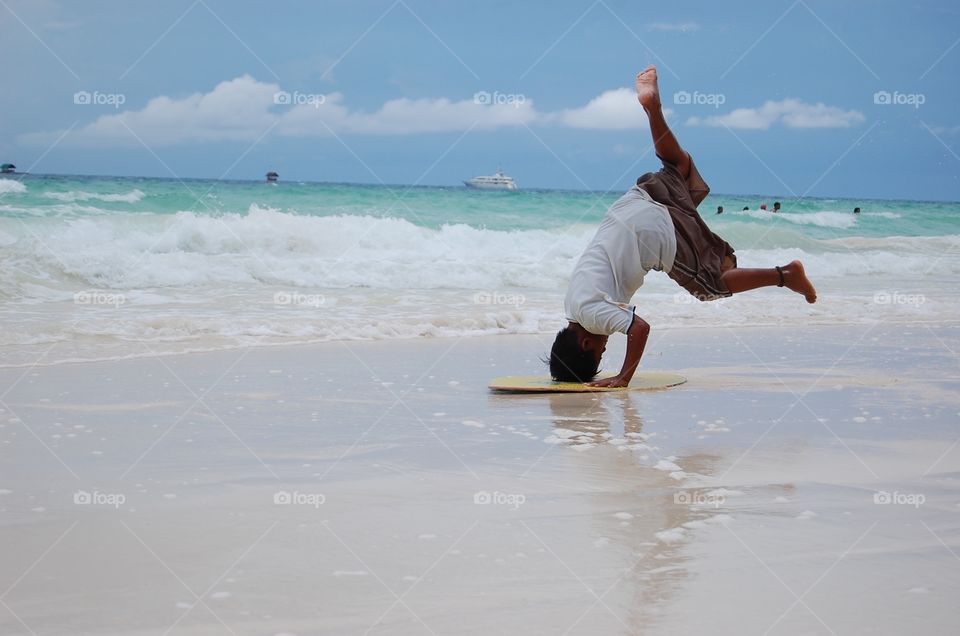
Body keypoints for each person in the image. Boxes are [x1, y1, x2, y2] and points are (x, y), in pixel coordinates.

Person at [549, 66, 817, 388]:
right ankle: (652, 109)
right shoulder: (573, 304)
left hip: (654, 231)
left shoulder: (592, 318)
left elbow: (639, 329)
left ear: (585, 344)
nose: (606, 346)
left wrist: (623, 377)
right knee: (679, 169)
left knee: (711, 287)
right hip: (638, 200)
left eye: (600, 354)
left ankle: (785, 275)